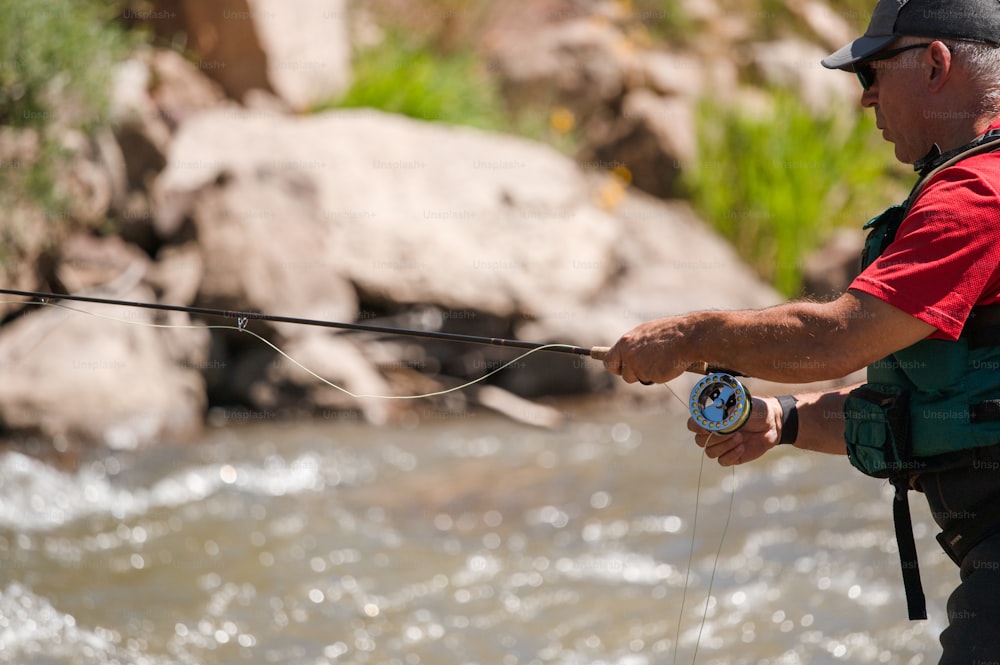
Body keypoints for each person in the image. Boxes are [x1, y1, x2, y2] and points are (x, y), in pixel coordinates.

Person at [602, 0, 1000, 661]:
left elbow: (836, 339)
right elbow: (932, 410)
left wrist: (690, 336)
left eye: (872, 73)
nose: (866, 99)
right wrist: (779, 420)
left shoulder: (980, 192)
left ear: (936, 63)